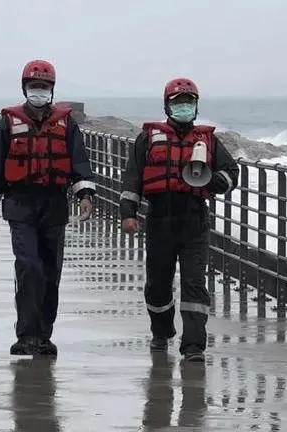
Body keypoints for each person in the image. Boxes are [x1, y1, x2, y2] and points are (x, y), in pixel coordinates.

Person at [0, 59, 96, 356]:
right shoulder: (8, 122)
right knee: (28, 266)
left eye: (43, 87)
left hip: (54, 203)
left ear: (52, 90)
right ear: (25, 88)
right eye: (34, 86)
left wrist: (85, 196)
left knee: (49, 272)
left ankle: (44, 335)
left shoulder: (66, 124)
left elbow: (80, 163)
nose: (39, 91)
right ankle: (26, 334)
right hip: (20, 203)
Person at [119, 77, 239, 361]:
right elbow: (132, 178)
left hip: (194, 221)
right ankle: (161, 332)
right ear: (167, 105)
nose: (184, 107)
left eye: (189, 102)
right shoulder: (147, 139)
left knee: (194, 283)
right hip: (160, 220)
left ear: (196, 106)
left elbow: (231, 171)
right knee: (158, 284)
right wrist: (128, 214)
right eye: (178, 102)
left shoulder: (208, 140)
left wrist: (219, 182)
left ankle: (194, 345)